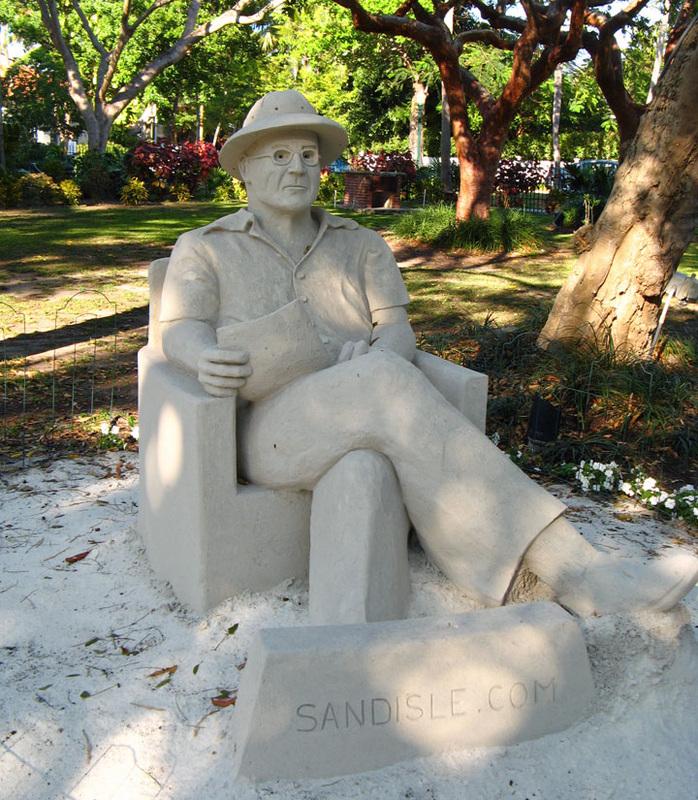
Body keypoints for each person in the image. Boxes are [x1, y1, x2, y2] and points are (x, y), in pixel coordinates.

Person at [160, 90, 698, 617]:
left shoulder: (362, 244)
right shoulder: (206, 247)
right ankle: (577, 569)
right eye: (278, 156)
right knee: (384, 383)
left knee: (363, 465)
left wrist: (375, 358)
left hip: (362, 406)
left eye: (307, 156)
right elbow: (178, 329)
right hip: (268, 429)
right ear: (245, 171)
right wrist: (203, 355)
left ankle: (498, 586)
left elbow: (397, 332)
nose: (297, 168)